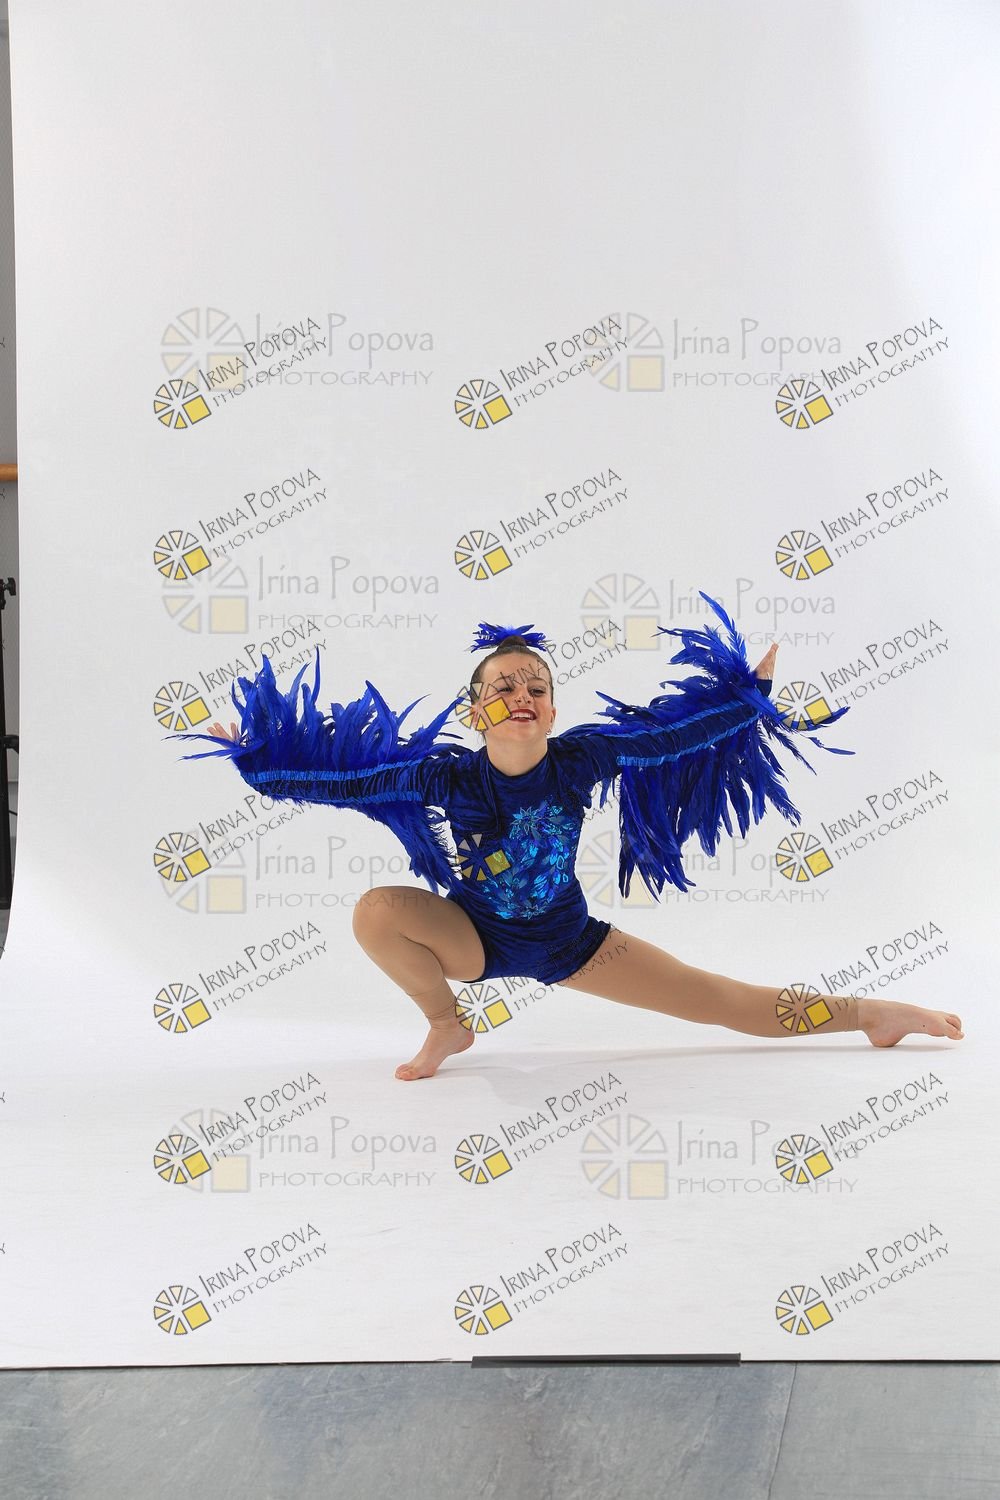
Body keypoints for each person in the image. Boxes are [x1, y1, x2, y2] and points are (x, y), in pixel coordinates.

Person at [175, 593, 963, 1081]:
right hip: (473, 939)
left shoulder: (581, 758)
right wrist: (255, 760)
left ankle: (871, 1013)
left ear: (552, 710)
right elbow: (338, 785)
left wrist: (744, 700)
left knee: (719, 1001)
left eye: (536, 686)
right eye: (502, 686)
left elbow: (672, 738)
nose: (520, 693)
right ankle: (447, 1023)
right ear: (475, 711)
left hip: (571, 943)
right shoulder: (446, 779)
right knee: (377, 910)